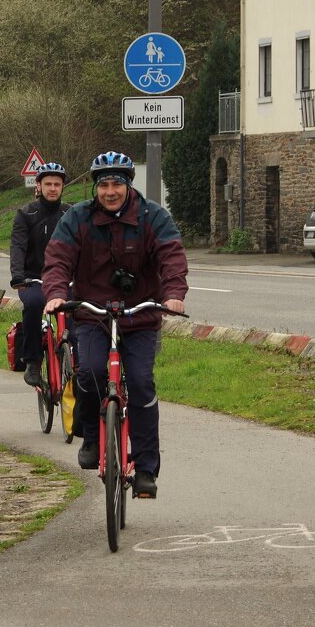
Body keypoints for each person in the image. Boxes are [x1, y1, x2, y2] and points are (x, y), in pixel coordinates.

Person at [42, 151, 188, 499]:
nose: (110, 191)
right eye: (103, 185)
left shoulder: (154, 217)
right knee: (90, 374)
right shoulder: (77, 218)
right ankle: (92, 437)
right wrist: (57, 294)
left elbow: (171, 256)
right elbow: (58, 259)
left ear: (128, 185)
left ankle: (147, 470)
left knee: (139, 384)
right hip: (93, 314)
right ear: (95, 187)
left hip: (140, 315)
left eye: (117, 184)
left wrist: (173, 293)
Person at [9, 162, 70, 387]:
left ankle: (76, 358)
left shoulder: (70, 213)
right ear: (39, 185)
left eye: (57, 184)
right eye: (48, 184)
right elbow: (18, 247)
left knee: (78, 311)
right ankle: (34, 361)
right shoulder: (26, 214)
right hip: (34, 279)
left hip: (65, 279)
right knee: (34, 305)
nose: (52, 188)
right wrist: (18, 276)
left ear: (63, 187)